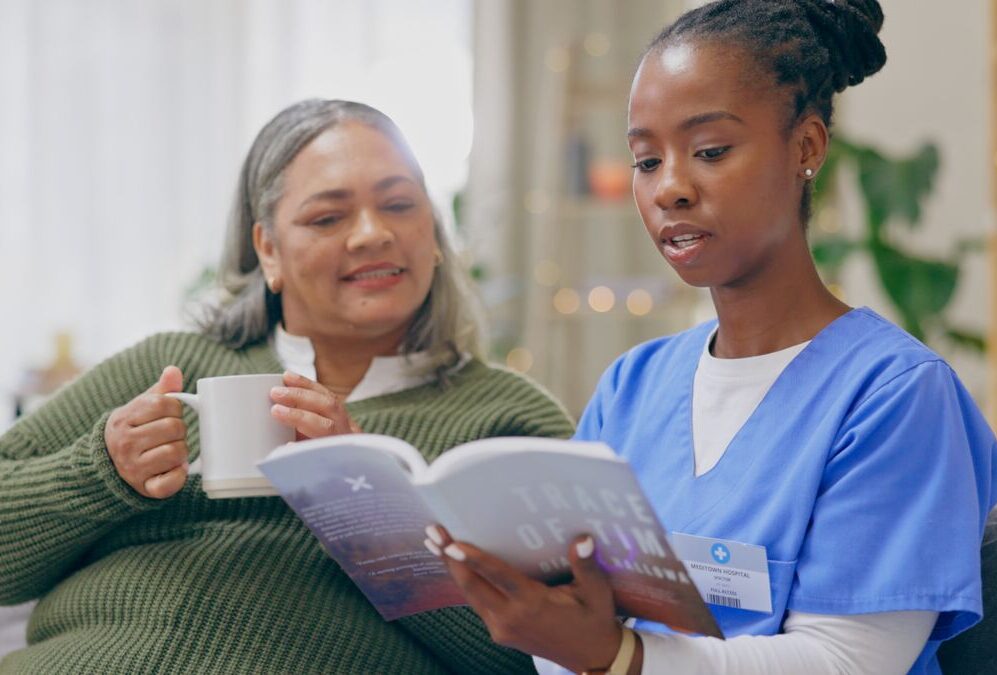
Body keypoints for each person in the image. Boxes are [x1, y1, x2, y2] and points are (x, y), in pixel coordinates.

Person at [426, 2, 997, 673]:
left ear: (805, 147)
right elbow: (571, 627)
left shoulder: (893, 395)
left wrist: (619, 655)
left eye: (710, 151)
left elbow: (848, 659)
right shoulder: (630, 387)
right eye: (645, 160)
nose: (669, 188)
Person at [0, 98, 574, 673]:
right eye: (328, 218)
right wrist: (101, 474)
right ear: (268, 250)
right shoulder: (169, 367)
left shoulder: (508, 418)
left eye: (400, 205)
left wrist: (364, 508)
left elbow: (545, 657)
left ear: (435, 234)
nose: (373, 235)